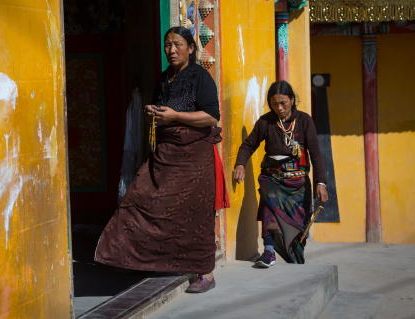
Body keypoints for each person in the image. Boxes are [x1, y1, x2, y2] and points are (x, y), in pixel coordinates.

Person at [95, 26, 229, 294]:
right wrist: (152, 112)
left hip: (194, 158)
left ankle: (205, 272)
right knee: (140, 199)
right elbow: (162, 112)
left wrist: (175, 116)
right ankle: (136, 257)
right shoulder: (165, 78)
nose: (171, 50)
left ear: (191, 48)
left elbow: (211, 117)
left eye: (178, 44)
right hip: (166, 152)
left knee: (196, 214)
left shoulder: (200, 76)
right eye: (168, 45)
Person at [232, 81, 328, 267]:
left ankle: (295, 258)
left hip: (298, 183)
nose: (280, 108)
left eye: (283, 102)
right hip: (272, 178)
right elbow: (248, 145)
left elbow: (315, 154)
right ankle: (268, 251)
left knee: (298, 228)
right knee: (269, 204)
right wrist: (240, 164)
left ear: (292, 99)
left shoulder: (305, 121)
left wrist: (321, 183)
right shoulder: (266, 122)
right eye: (275, 103)